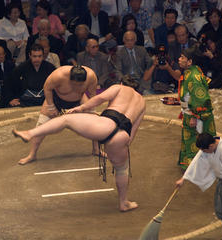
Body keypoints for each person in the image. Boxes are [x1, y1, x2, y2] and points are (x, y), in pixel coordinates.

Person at [12, 77, 146, 212]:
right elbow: (132, 133)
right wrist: (120, 147)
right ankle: (124, 203)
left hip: (106, 124)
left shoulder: (119, 88)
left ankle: (30, 133)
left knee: (65, 120)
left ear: (122, 83)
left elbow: (99, 99)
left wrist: (81, 107)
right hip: (122, 136)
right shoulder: (142, 102)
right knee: (122, 169)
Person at [16, 65, 99, 165]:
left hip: (79, 100)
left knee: (95, 122)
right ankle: (32, 155)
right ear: (69, 78)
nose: (77, 87)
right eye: (75, 84)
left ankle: (96, 149)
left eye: (80, 85)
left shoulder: (91, 77)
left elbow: (93, 95)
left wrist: (92, 110)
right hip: (55, 99)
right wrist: (51, 106)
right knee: (41, 127)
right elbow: (47, 88)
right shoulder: (59, 75)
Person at [176, 133, 222, 240]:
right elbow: (196, 161)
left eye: (204, 150)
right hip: (221, 183)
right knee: (220, 211)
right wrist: (183, 179)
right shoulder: (207, 147)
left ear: (211, 146)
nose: (203, 153)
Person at [177, 47, 216, 170]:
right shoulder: (192, 71)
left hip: (197, 116)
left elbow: (201, 99)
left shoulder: (194, 76)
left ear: (189, 61)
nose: (179, 59)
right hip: (191, 112)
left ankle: (197, 168)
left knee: (198, 141)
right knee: (192, 141)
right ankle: (195, 167)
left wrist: (195, 116)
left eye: (182, 57)